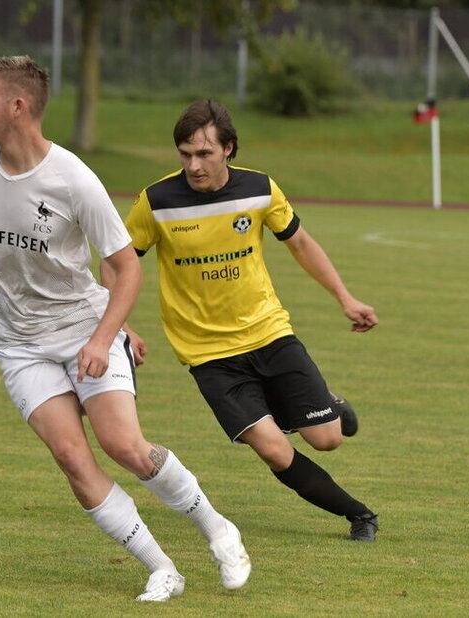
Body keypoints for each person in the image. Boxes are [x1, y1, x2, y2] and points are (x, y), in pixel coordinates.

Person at [0, 57, 251, 601]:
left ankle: (218, 529)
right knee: (71, 457)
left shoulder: (74, 179)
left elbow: (126, 268)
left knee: (124, 446)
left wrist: (103, 339)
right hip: (19, 345)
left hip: (83, 328)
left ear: (17, 107)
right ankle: (162, 567)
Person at [118, 100, 380, 542]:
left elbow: (300, 244)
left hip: (269, 333)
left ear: (229, 149)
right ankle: (360, 515)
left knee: (328, 439)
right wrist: (120, 322)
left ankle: (329, 404)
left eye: (204, 153)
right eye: (185, 154)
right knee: (275, 450)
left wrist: (345, 298)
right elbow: (119, 262)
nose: (193, 165)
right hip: (208, 355)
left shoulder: (259, 189)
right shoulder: (156, 202)